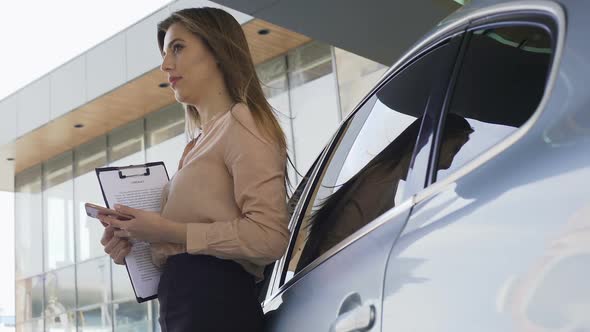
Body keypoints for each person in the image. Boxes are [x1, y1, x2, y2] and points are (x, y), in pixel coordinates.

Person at [98, 7, 290, 332]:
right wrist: (131, 245)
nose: (165, 65)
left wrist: (166, 231)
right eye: (164, 53)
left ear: (217, 50)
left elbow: (270, 237)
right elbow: (185, 243)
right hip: (184, 307)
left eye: (178, 47)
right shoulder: (195, 146)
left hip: (216, 307)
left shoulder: (241, 121)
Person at [296, 114, 473, 271]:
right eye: (454, 149)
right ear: (429, 141)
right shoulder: (379, 182)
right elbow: (333, 255)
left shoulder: (383, 178)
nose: (448, 164)